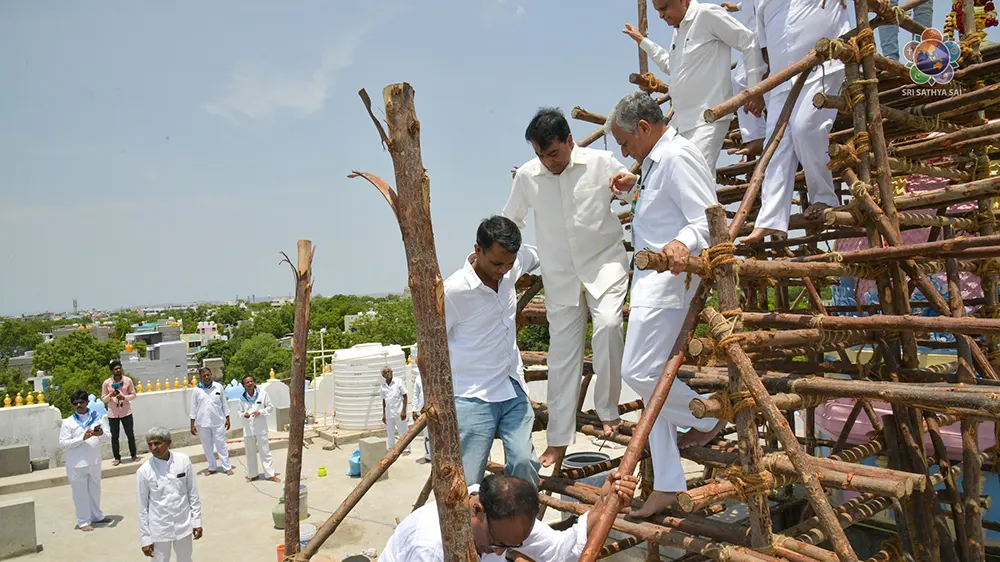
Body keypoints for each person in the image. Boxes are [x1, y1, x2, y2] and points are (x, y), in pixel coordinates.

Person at [605, 91, 726, 517]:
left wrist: (681, 243)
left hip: (668, 285)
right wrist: (632, 191)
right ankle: (669, 483)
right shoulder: (656, 163)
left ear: (644, 128)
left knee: (637, 372)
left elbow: (706, 219)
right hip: (651, 285)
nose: (625, 152)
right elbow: (660, 211)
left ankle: (707, 416)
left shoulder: (677, 156)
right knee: (651, 382)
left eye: (625, 142)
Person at [503, 107, 629, 469]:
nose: (548, 162)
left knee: (608, 327)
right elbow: (511, 220)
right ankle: (558, 440)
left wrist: (627, 188)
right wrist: (490, 253)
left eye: (553, 153)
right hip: (560, 277)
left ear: (570, 141)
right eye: (540, 155)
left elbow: (634, 195)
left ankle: (608, 409)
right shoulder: (528, 176)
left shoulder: (602, 162)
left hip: (604, 265)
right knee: (561, 359)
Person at [740, 0, 850, 244]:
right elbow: (763, 48)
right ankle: (769, 219)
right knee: (774, 148)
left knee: (805, 128)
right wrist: (759, 87)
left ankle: (824, 198)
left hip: (823, 68)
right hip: (782, 80)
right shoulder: (762, 2)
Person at [445, 216, 542, 488]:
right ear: (478, 250)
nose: (504, 270)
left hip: (511, 386)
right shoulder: (454, 291)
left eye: (509, 264)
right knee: (467, 481)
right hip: (471, 394)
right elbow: (430, 345)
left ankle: (524, 516)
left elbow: (541, 253)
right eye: (497, 263)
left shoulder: (511, 266)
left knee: (524, 463)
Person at [622, 0, 764, 169]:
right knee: (673, 174)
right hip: (681, 122)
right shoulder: (679, 31)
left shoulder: (707, 14)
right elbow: (671, 66)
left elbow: (749, 42)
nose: (661, 15)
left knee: (692, 173)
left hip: (707, 119)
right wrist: (643, 41)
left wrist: (755, 89)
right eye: (657, 10)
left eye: (664, 8)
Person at [378, 471, 638, 561]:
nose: (501, 552)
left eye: (512, 545)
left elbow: (558, 551)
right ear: (477, 511)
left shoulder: (507, 518)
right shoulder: (430, 547)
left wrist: (603, 504)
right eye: (497, 543)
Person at [136, 427, 203, 562]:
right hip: (160, 528)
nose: (153, 448)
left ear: (169, 443)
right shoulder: (144, 471)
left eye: (157, 443)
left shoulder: (183, 460)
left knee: (185, 558)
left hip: (183, 524)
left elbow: (192, 493)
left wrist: (197, 522)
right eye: (150, 444)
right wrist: (145, 538)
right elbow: (142, 507)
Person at [59, 388, 110, 531]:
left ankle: (96, 516)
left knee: (95, 490)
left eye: (81, 402)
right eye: (75, 403)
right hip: (76, 464)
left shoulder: (98, 418)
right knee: (79, 493)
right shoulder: (68, 422)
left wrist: (100, 434)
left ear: (87, 402)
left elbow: (108, 437)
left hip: (94, 461)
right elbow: (63, 443)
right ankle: (83, 521)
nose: (78, 405)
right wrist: (82, 438)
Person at [723, 0, 767, 159]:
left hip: (766, 32)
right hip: (751, 38)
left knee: (752, 79)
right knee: (739, 80)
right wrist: (737, 7)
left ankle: (759, 135)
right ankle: (755, 136)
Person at [189, 367, 233, 476]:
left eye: (208, 375)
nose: (206, 377)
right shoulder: (197, 390)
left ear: (211, 375)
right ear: (200, 377)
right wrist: (192, 424)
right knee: (207, 446)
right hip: (203, 423)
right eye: (204, 376)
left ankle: (227, 467)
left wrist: (227, 418)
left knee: (221, 445)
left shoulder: (218, 387)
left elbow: (224, 403)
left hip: (218, 422)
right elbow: (193, 407)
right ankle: (212, 467)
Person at [239, 374, 279, 482]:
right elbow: (239, 412)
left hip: (261, 428)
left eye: (251, 381)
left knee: (265, 452)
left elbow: (270, 407)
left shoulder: (262, 394)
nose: (250, 383)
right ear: (244, 385)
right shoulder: (242, 398)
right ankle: (253, 475)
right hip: (248, 429)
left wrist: (260, 412)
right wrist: (244, 415)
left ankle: (270, 474)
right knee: (250, 453)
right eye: (247, 382)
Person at [101, 358, 139, 466]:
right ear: (111, 371)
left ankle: (134, 455)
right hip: (113, 413)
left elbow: (133, 395)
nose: (118, 370)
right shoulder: (107, 383)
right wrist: (110, 395)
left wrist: (124, 397)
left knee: (130, 434)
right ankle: (117, 458)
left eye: (119, 368)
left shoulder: (128, 381)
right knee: (114, 436)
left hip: (126, 411)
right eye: (115, 369)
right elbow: (103, 399)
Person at [380, 366, 410, 456]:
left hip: (399, 411)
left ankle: (406, 449)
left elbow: (405, 396)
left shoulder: (398, 382)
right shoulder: (382, 387)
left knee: (403, 431)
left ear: (392, 372)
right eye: (385, 372)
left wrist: (404, 411)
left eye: (389, 371)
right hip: (389, 413)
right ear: (383, 375)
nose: (388, 373)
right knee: (390, 433)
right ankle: (391, 449)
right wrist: (384, 415)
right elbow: (384, 401)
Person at [410, 355, 432, 463]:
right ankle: (428, 455)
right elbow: (416, 394)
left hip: (433, 409)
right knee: (426, 434)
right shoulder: (418, 378)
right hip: (422, 411)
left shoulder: (433, 376)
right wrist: (414, 409)